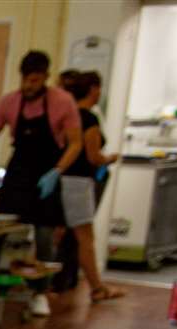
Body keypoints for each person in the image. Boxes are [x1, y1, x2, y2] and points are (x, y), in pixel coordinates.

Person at [0, 51, 82, 317]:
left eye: (34, 80)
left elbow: (75, 143)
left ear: (45, 77)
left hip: (47, 172)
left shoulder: (62, 102)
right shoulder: (9, 102)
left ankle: (40, 293)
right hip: (19, 171)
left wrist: (57, 171)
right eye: (25, 80)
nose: (29, 86)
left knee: (45, 237)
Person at [55, 70, 123, 301]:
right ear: (93, 89)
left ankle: (50, 285)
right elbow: (93, 156)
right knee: (85, 238)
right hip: (78, 182)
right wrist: (111, 158)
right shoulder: (88, 119)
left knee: (57, 233)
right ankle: (96, 287)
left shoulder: (65, 115)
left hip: (60, 179)